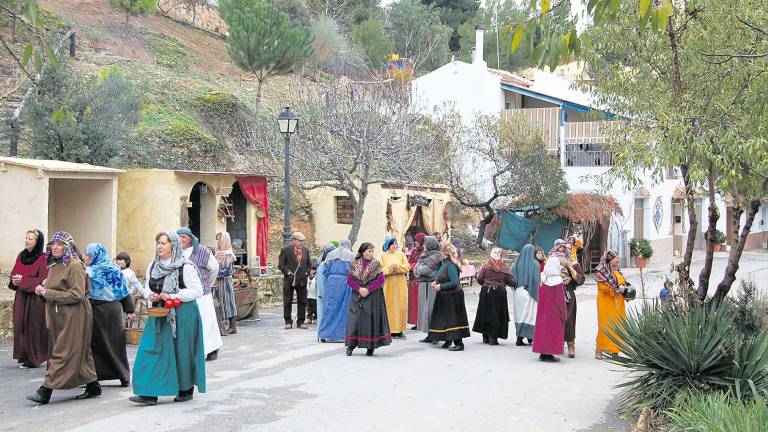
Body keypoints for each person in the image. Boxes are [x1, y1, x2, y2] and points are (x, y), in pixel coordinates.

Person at [130, 231, 206, 405]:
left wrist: (173, 294)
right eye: (158, 242)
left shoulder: (185, 267)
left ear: (174, 245)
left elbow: (197, 291)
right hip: (159, 313)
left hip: (183, 313)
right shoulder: (153, 266)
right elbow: (148, 288)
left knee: (181, 351)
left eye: (164, 243)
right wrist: (152, 295)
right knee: (151, 349)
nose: (159, 246)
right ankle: (149, 392)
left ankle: (185, 389)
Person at [27, 232, 100, 404]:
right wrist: (42, 289)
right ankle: (93, 385)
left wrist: (48, 292)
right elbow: (56, 286)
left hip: (74, 315)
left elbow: (77, 294)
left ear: (68, 247)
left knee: (62, 352)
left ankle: (45, 391)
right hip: (60, 315)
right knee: (79, 351)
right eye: (53, 244)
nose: (55, 248)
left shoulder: (74, 265)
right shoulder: (54, 265)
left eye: (60, 244)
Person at [84, 243, 134, 387]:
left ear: (95, 256)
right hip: (112, 310)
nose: (85, 257)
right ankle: (121, 375)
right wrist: (129, 309)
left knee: (99, 343)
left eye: (88, 255)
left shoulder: (89, 271)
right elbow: (124, 291)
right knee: (113, 342)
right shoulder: (114, 269)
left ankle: (103, 375)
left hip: (98, 309)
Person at [177, 227, 222, 361]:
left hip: (202, 294)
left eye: (183, 237)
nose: (181, 240)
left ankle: (212, 348)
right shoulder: (176, 252)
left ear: (190, 238)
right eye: (178, 237)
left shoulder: (202, 251)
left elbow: (214, 268)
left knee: (206, 321)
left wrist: (207, 284)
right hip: (184, 293)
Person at [9, 229, 49, 369]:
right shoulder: (22, 256)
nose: (26, 241)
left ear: (37, 242)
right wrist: (14, 280)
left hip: (35, 298)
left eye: (30, 239)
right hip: (21, 297)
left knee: (34, 326)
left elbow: (43, 278)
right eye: (26, 238)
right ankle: (24, 355)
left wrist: (24, 280)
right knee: (21, 325)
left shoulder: (43, 258)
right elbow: (15, 271)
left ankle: (35, 357)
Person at [345, 242, 391, 356]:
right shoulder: (354, 263)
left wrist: (368, 290)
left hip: (373, 295)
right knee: (354, 320)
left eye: (372, 251)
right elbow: (349, 280)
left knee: (370, 321)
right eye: (369, 251)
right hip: (357, 295)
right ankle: (350, 345)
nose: (371, 254)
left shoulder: (376, 263)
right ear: (362, 252)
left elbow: (380, 280)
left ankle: (370, 347)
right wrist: (360, 289)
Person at [427, 243, 470, 351]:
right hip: (444, 296)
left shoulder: (450, 265)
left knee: (453, 319)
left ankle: (459, 343)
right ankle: (448, 339)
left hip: (453, 296)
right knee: (444, 318)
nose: (440, 253)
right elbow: (442, 276)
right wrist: (435, 282)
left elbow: (455, 282)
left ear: (445, 253)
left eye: (442, 251)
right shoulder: (444, 264)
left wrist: (440, 286)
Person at [532, 244, 568, 362]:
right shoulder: (557, 281)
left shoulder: (544, 278)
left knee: (543, 331)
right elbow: (559, 299)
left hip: (543, 311)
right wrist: (564, 313)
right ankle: (549, 354)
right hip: (554, 313)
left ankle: (543, 353)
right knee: (552, 332)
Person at [473, 248, 516, 345]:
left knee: (485, 313)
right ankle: (493, 338)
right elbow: (510, 282)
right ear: (500, 256)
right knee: (497, 314)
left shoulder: (486, 266)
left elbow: (480, 279)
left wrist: (483, 281)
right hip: (499, 293)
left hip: (486, 292)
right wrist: (515, 282)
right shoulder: (504, 267)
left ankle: (485, 336)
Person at [594, 250, 631, 359]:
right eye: (616, 258)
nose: (618, 260)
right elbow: (602, 288)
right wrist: (617, 289)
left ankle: (615, 350)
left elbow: (624, 283)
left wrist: (626, 292)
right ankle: (599, 349)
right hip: (606, 302)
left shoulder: (618, 271)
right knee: (605, 326)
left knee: (618, 325)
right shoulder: (601, 272)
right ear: (610, 260)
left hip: (618, 303)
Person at [318, 240, 354, 342]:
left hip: (331, 284)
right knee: (343, 308)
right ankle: (341, 334)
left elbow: (324, 270)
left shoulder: (330, 254)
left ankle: (324, 334)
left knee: (329, 308)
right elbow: (354, 271)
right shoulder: (350, 255)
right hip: (344, 283)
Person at [278, 232, 312, 330]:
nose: (302, 243)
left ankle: (301, 322)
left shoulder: (306, 251)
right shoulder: (285, 250)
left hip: (302, 280)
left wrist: (306, 273)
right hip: (289, 280)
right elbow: (281, 265)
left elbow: (309, 264)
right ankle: (288, 321)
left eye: (302, 241)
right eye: (300, 241)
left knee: (302, 301)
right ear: (293, 240)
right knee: (287, 301)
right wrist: (287, 272)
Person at [380, 236, 410, 339]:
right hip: (389, 283)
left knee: (401, 306)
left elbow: (407, 267)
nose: (395, 246)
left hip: (400, 282)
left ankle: (399, 330)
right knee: (389, 306)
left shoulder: (401, 254)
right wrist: (389, 268)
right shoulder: (383, 255)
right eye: (392, 244)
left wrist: (398, 268)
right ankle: (389, 330)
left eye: (396, 243)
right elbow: (379, 270)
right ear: (388, 245)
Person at [413, 236, 442, 341]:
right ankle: (430, 334)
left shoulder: (436, 256)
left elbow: (422, 271)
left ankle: (435, 334)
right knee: (424, 310)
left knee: (431, 310)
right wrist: (418, 269)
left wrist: (418, 269)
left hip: (431, 285)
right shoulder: (424, 255)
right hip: (423, 284)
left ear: (430, 244)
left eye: (425, 243)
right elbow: (415, 270)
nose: (423, 245)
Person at [511, 244, 540, 346]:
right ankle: (530, 337)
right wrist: (537, 294)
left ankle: (519, 338)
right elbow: (536, 280)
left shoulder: (515, 264)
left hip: (517, 292)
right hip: (529, 292)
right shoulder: (535, 264)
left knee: (519, 315)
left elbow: (512, 280)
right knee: (530, 315)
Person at [563, 244, 585, 358]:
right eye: (563, 248)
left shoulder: (574, 264)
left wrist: (571, 269)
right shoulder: (554, 261)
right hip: (555, 293)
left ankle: (571, 345)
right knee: (556, 319)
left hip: (569, 293)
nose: (565, 250)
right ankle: (556, 343)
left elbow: (581, 279)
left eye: (568, 248)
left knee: (568, 320)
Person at [214, 232, 238, 335]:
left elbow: (228, 270)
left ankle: (233, 327)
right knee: (219, 302)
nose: (218, 241)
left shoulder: (229, 254)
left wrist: (215, 272)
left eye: (219, 239)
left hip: (225, 282)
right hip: (217, 282)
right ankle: (222, 326)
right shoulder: (217, 253)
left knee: (228, 303)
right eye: (217, 239)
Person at [315, 243, 337, 329]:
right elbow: (321, 282)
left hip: (328, 293)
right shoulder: (322, 265)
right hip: (323, 294)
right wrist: (323, 294)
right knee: (322, 313)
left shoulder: (328, 264)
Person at [407, 233, 425, 329]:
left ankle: (421, 321)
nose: (415, 242)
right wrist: (410, 265)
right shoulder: (414, 251)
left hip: (420, 280)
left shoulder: (424, 252)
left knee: (419, 301)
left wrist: (412, 266)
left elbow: (421, 264)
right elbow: (408, 262)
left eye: (417, 241)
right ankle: (416, 322)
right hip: (412, 279)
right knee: (413, 302)